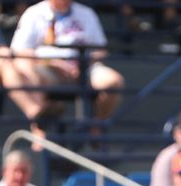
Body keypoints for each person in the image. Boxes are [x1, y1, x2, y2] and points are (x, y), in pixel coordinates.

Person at [8, 0, 125, 147]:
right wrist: (52, 62)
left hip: (85, 69)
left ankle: (95, 126)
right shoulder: (34, 13)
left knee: (113, 82)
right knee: (26, 70)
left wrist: (83, 63)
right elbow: (19, 50)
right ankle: (39, 127)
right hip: (48, 70)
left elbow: (101, 49)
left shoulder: (86, 13)